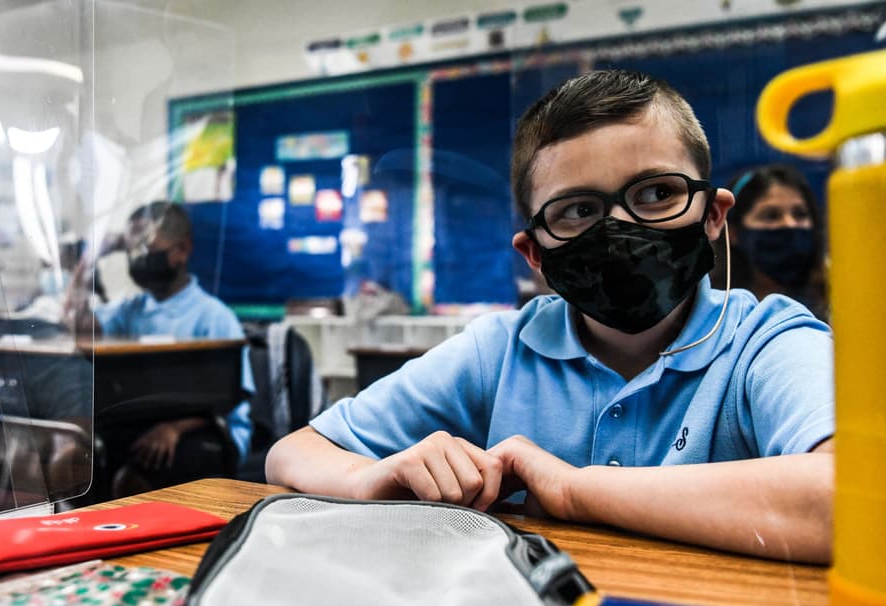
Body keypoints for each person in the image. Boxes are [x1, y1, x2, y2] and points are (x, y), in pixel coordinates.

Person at [267, 69, 835, 564]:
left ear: (712, 217)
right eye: (579, 210)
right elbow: (290, 454)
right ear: (535, 254)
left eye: (657, 193)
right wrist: (373, 477)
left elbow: (858, 503)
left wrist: (572, 490)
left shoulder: (766, 342)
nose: (621, 227)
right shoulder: (501, 350)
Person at [67, 201, 253, 496]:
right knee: (72, 459)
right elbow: (76, 328)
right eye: (131, 250)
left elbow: (230, 398)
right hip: (140, 425)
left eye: (145, 247)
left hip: (207, 429)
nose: (137, 257)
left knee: (132, 478)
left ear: (182, 250)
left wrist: (174, 428)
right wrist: (90, 259)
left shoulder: (214, 316)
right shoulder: (130, 310)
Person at [714, 164, 829, 321]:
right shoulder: (714, 317)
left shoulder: (837, 303)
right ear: (734, 233)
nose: (790, 224)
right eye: (771, 216)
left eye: (800, 214)